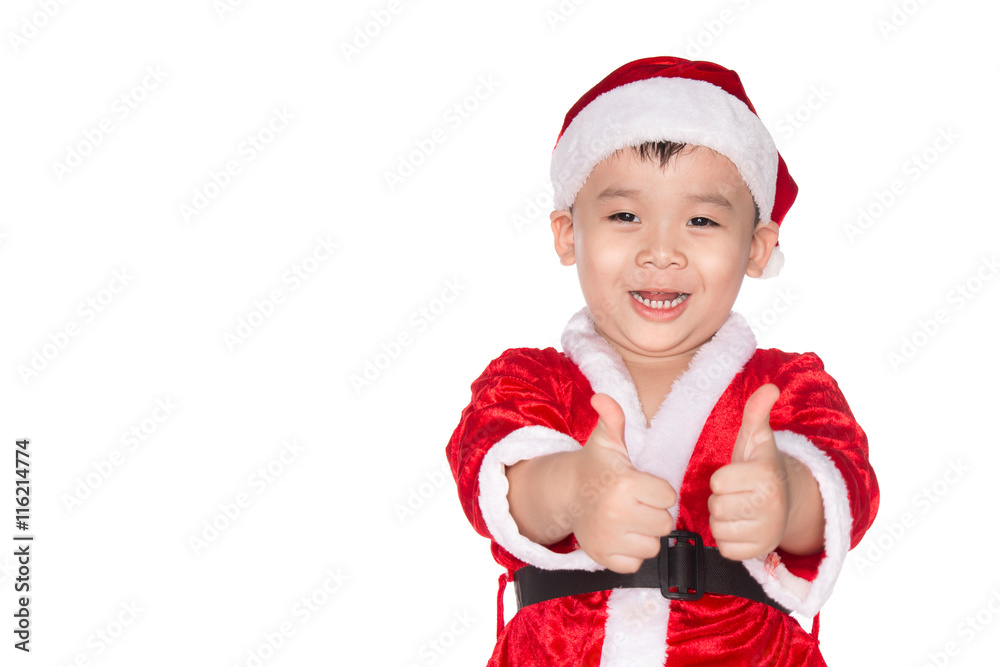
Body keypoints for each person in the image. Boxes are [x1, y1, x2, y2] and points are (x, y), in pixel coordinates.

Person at [446, 56, 879, 666]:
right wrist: (575, 491)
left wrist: (787, 497)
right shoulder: (528, 381)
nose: (661, 251)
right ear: (569, 233)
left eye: (701, 220)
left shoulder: (786, 386)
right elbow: (493, 477)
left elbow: (849, 485)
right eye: (625, 216)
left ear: (757, 248)